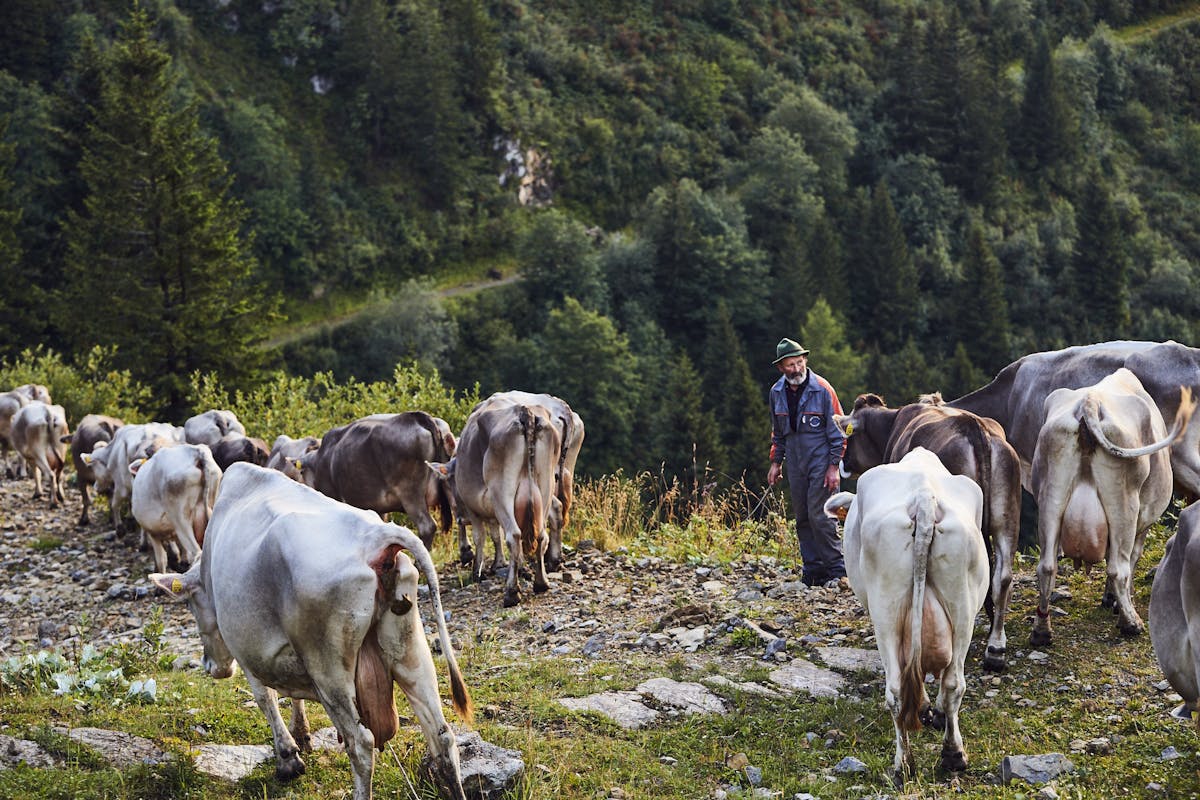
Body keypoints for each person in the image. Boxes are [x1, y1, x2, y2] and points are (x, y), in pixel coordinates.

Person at [766, 337, 847, 588]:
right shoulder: (776, 392)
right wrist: (776, 463)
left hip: (822, 462)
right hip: (796, 462)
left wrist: (834, 466)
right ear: (781, 367)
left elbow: (839, 429)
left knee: (822, 516)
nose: (796, 369)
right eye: (790, 365)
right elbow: (778, 433)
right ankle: (813, 571)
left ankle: (837, 571)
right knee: (802, 517)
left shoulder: (823, 389)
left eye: (799, 363)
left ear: (805, 361)